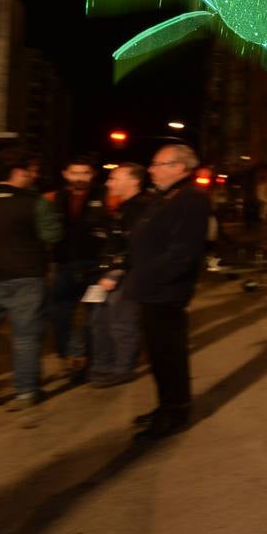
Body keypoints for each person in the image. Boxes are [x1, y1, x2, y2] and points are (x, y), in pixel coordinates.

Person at [121, 144, 211, 438]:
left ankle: (175, 412)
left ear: (179, 168)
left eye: (158, 164)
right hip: (152, 291)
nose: (151, 169)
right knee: (158, 357)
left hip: (166, 292)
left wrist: (148, 275)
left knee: (169, 356)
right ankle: (165, 406)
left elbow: (182, 253)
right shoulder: (165, 197)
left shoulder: (192, 199)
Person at [0, 148, 62, 411]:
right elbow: (53, 236)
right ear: (18, 172)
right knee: (26, 338)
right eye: (31, 171)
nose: (33, 176)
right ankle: (25, 393)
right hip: (26, 277)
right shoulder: (35, 202)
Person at [45, 155, 110, 383]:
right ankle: (68, 356)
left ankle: (89, 359)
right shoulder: (54, 198)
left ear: (92, 175)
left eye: (85, 173)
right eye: (75, 173)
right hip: (64, 267)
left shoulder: (106, 196)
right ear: (66, 174)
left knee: (95, 315)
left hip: (96, 269)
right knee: (60, 315)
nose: (80, 178)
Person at [88, 163, 151, 388]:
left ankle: (122, 368)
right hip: (108, 275)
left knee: (121, 323)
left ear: (134, 181)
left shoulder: (140, 208)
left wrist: (116, 271)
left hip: (124, 277)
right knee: (100, 321)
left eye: (115, 178)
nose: (108, 182)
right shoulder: (124, 208)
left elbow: (135, 245)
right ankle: (102, 366)